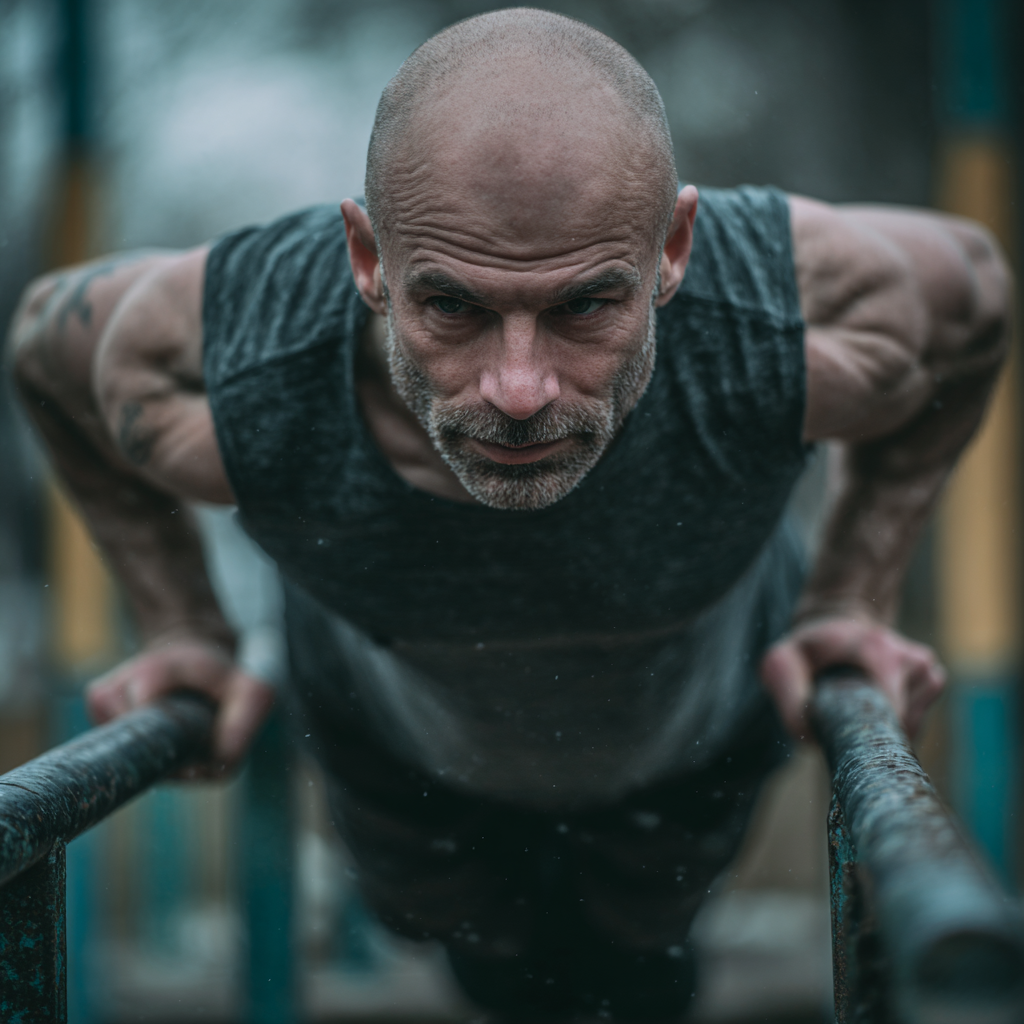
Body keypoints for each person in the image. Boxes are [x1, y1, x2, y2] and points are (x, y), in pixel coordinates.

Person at [8, 8, 1010, 1020]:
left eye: (582, 307)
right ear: (366, 257)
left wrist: (852, 590)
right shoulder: (246, 360)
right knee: (477, 958)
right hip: (400, 748)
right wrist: (183, 622)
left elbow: (976, 289)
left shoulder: (780, 316)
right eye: (452, 306)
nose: (518, 389)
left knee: (642, 954)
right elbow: (47, 346)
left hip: (690, 720)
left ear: (672, 248)